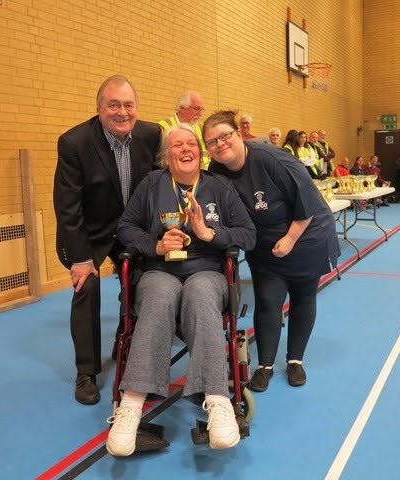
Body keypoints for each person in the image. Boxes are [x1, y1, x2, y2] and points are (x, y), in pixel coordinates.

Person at [106, 126, 256, 456]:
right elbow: (125, 227)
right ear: (166, 155)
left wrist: (207, 233)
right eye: (177, 145)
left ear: (200, 153)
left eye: (191, 144)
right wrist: (155, 245)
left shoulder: (220, 187)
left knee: (201, 295)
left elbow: (248, 235)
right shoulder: (151, 184)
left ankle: (217, 402)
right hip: (160, 269)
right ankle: (130, 408)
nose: (185, 149)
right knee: (159, 295)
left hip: (206, 270)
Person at [203, 111, 340, 392]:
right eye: (212, 141)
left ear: (239, 135)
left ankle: (295, 360)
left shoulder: (272, 159)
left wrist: (290, 238)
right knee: (267, 300)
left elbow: (308, 202)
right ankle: (264, 365)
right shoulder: (216, 171)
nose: (220, 144)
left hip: (305, 233)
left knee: (303, 296)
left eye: (225, 136)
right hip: (264, 243)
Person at [53, 75, 161, 405]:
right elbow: (67, 207)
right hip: (88, 231)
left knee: (145, 281)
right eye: (113, 104)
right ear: (99, 108)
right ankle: (86, 371)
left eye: (128, 104)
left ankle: (124, 343)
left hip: (131, 228)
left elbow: (160, 183)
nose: (122, 112)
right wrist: (82, 258)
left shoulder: (152, 134)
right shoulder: (74, 142)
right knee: (87, 287)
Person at [158, 91, 209, 169]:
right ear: (182, 107)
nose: (200, 114)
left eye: (202, 109)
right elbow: (161, 160)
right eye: (197, 109)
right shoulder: (163, 127)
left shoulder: (201, 127)